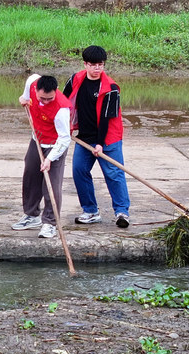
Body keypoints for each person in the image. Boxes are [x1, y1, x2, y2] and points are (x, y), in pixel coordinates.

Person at [63, 45, 130, 228]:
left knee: (114, 174)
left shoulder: (111, 88)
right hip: (84, 138)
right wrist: (64, 126)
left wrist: (100, 144)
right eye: (93, 65)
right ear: (85, 64)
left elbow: (107, 118)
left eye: (100, 65)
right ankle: (91, 211)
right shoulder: (75, 80)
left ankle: (122, 212)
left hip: (108, 138)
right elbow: (62, 101)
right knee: (79, 171)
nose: (97, 68)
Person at [15, 74, 72, 239]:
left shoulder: (62, 109)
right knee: (30, 175)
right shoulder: (32, 82)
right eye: (42, 98)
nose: (46, 102)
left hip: (55, 145)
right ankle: (31, 215)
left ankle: (50, 222)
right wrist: (24, 99)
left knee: (51, 184)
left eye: (50, 98)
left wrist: (49, 159)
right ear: (36, 90)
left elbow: (65, 139)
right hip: (37, 138)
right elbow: (26, 95)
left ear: (56, 91)